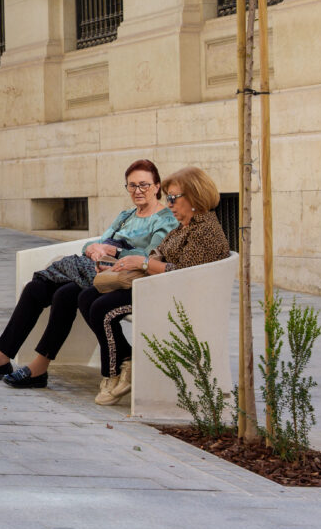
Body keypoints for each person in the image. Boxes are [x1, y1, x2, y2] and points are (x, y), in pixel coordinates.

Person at [0, 159, 178, 389]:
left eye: (144, 185)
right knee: (35, 288)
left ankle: (39, 367)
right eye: (132, 185)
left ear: (157, 186)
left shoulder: (165, 219)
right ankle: (1, 358)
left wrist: (114, 250)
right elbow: (94, 243)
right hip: (95, 269)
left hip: (121, 277)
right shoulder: (126, 215)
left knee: (65, 295)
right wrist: (94, 249)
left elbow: (150, 256)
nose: (138, 191)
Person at [81, 166, 230, 406]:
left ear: (194, 196)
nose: (169, 204)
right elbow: (160, 253)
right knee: (87, 296)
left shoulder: (205, 231)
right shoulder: (188, 224)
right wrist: (128, 262)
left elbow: (184, 274)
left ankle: (113, 373)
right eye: (168, 198)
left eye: (173, 197)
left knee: (102, 309)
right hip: (158, 288)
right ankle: (125, 360)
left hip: (175, 297)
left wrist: (143, 263)